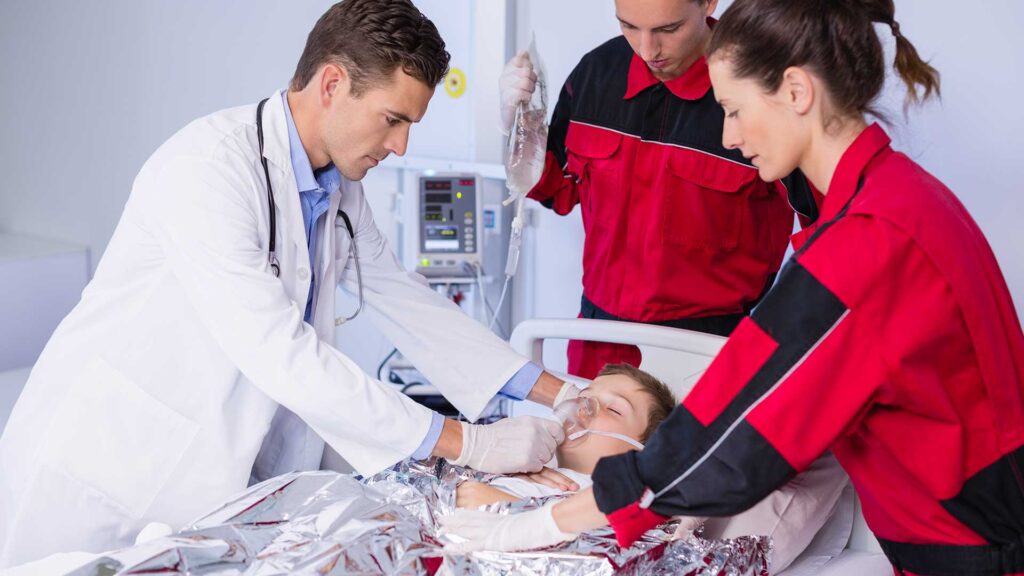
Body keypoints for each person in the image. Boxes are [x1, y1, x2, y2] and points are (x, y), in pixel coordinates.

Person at [445, 0, 1024, 573]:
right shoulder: (903, 195)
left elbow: (730, 447)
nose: (727, 134)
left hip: (968, 550)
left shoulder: (866, 246)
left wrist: (535, 525)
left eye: (733, 110)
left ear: (796, 91)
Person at [0, 0, 580, 567]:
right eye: (393, 119)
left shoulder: (338, 187)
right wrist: (466, 442)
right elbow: (280, 351)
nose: (401, 146)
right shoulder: (208, 170)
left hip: (213, 479)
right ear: (332, 84)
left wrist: (560, 392)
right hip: (112, 468)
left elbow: (404, 298)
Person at [500, 0, 804, 379]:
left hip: (707, 350)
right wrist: (518, 127)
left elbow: (827, 237)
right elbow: (555, 190)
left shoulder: (760, 89)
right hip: (597, 341)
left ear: (708, 4)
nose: (647, 51)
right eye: (628, 26)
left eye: (667, 29)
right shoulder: (596, 74)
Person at [456, 363, 676, 507]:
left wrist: (501, 505)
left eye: (613, 409)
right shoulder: (526, 465)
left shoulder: (616, 498)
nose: (584, 406)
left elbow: (583, 538)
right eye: (584, 395)